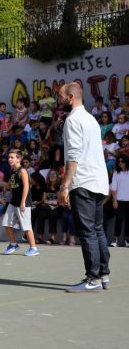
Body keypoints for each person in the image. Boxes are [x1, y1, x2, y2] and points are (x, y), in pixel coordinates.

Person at [58, 82, 110, 293]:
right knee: (97, 229)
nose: (59, 100)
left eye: (61, 96)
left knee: (88, 232)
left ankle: (93, 279)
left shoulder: (72, 120)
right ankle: (103, 275)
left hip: (83, 181)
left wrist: (64, 186)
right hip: (99, 181)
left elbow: (73, 156)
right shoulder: (91, 119)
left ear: (70, 97)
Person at [2, 149, 40, 256]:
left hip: (23, 203)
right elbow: (12, 186)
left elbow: (26, 186)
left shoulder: (22, 171)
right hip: (13, 202)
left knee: (26, 227)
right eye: (9, 157)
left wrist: (23, 202)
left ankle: (33, 248)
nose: (9, 159)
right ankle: (13, 244)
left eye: (12, 157)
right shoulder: (12, 171)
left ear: (18, 159)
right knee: (6, 224)